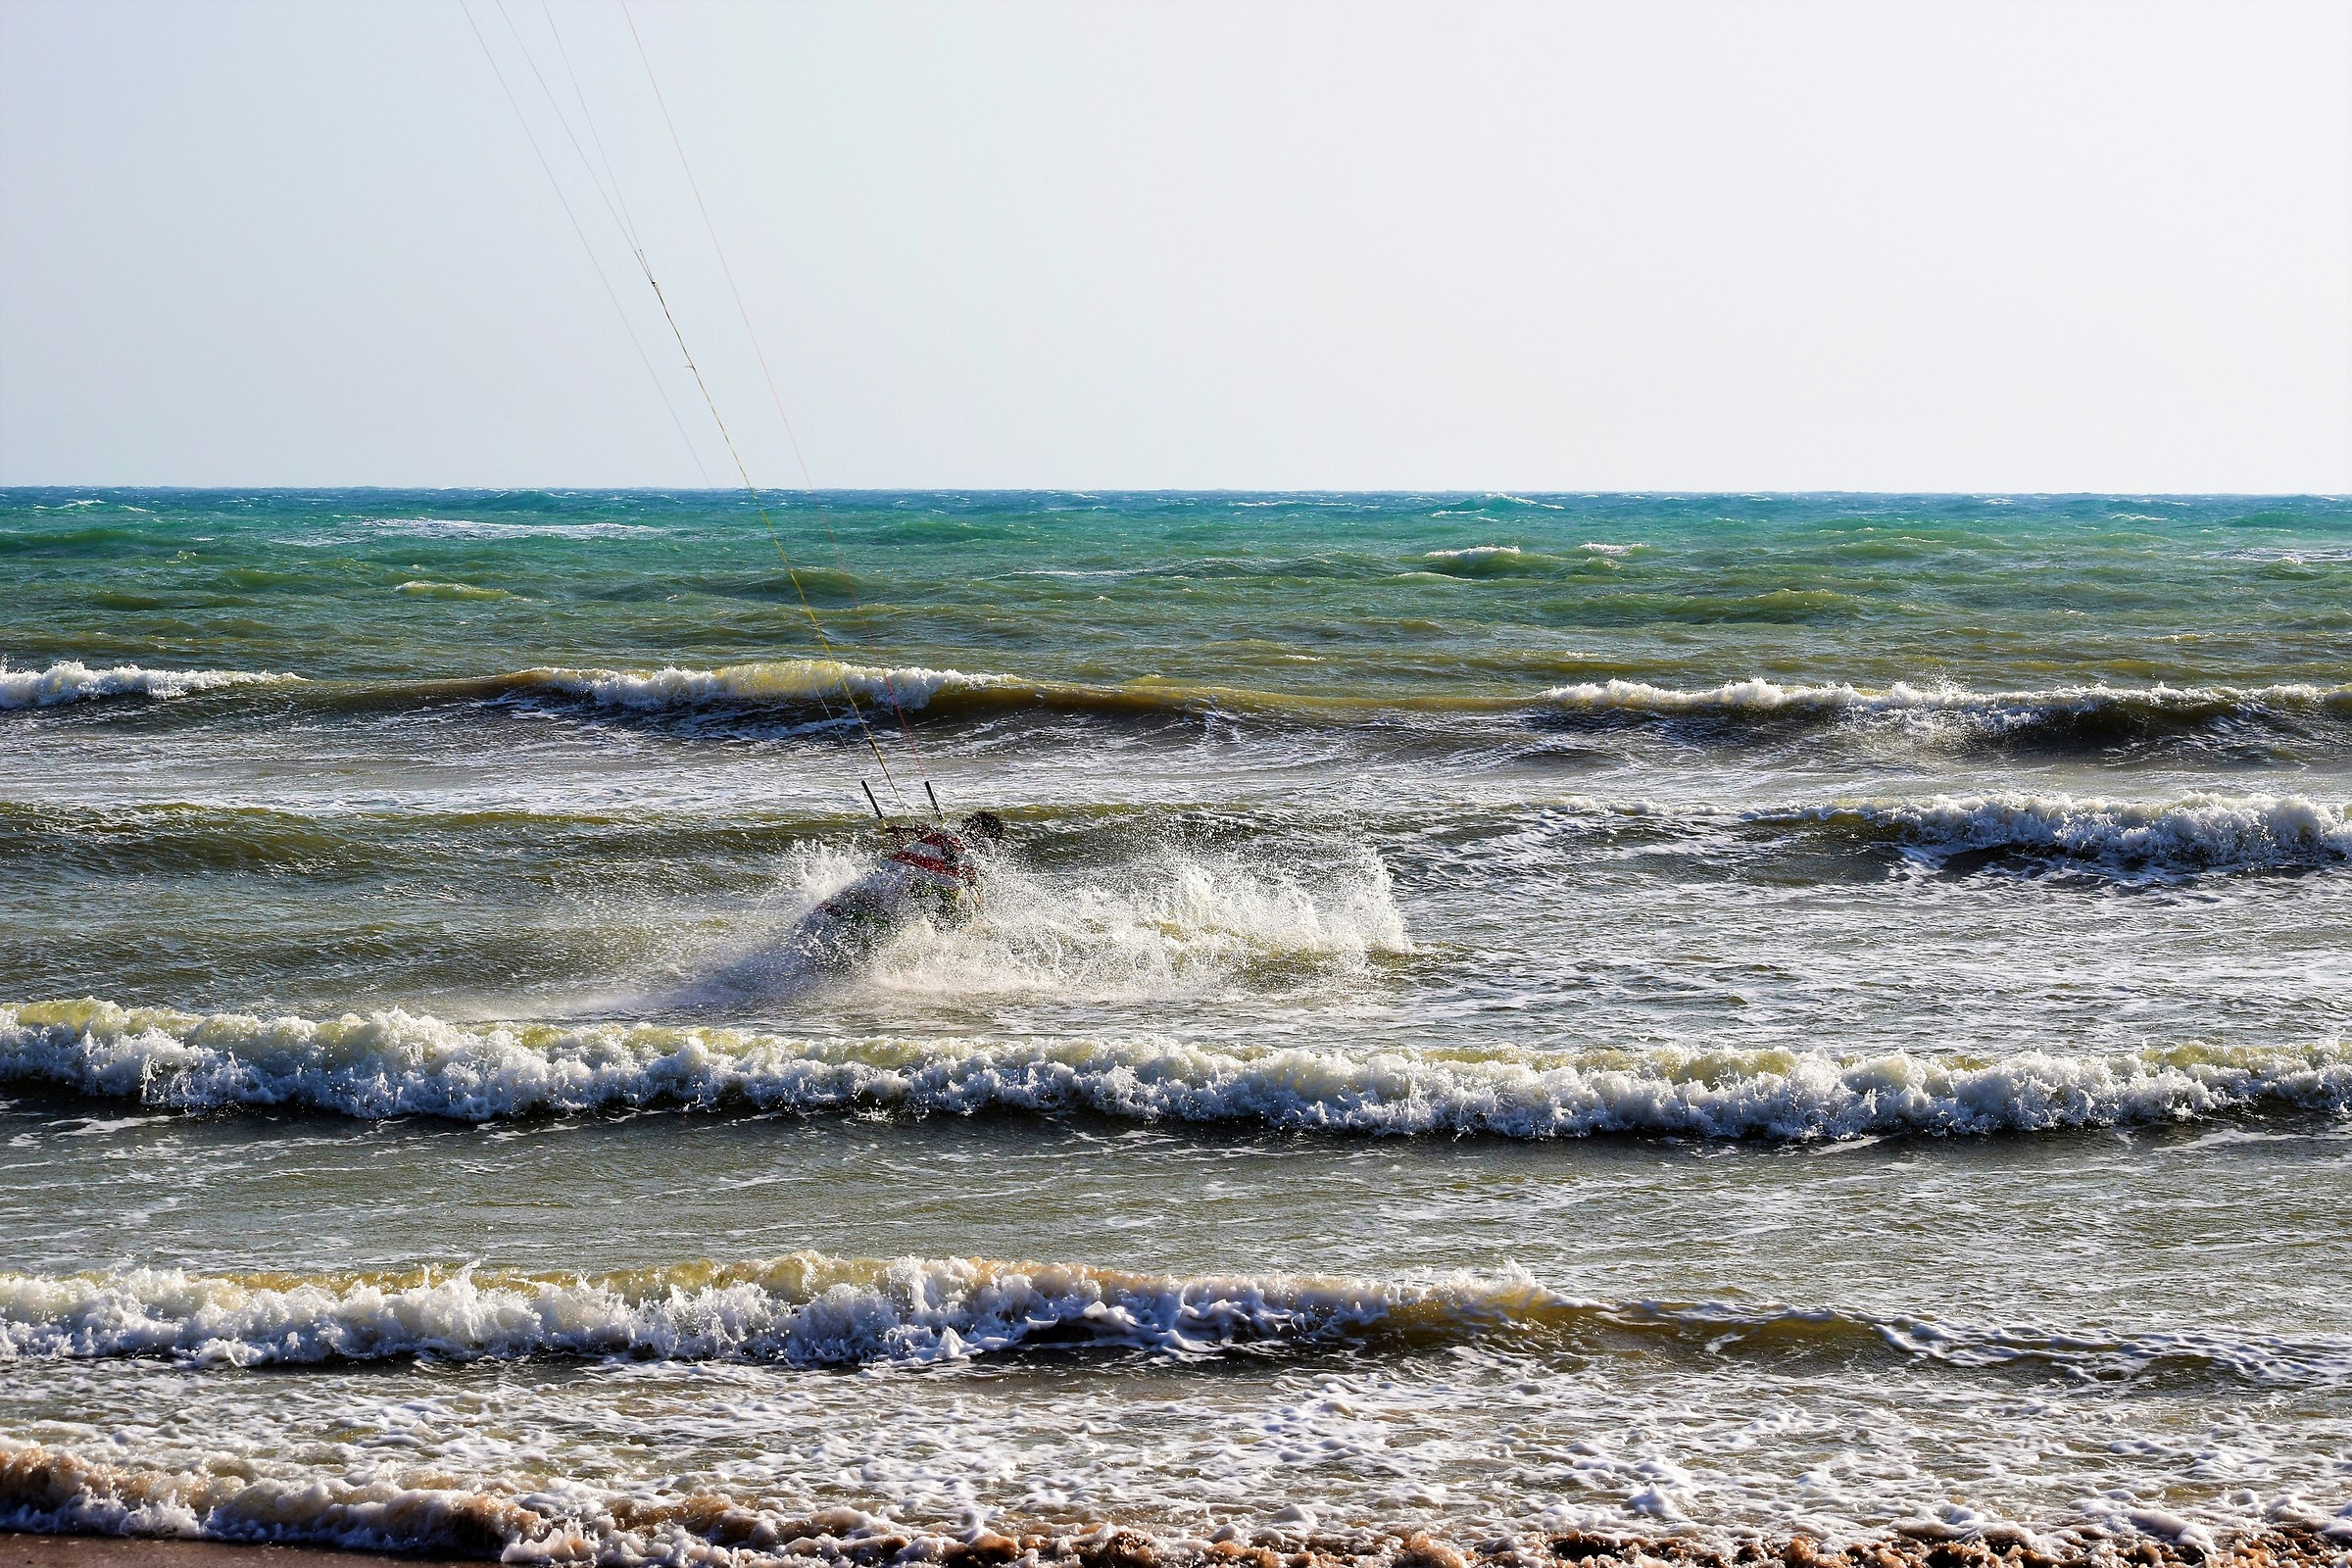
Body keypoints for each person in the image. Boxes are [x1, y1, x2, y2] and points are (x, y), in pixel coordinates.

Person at [810, 808, 1006, 937]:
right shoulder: (954, 845)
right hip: (940, 899)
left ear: (980, 828)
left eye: (970, 823)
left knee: (908, 885)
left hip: (959, 903)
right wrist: (915, 842)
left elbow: (968, 868)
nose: (964, 825)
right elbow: (915, 863)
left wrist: (938, 841)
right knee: (899, 884)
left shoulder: (985, 845)